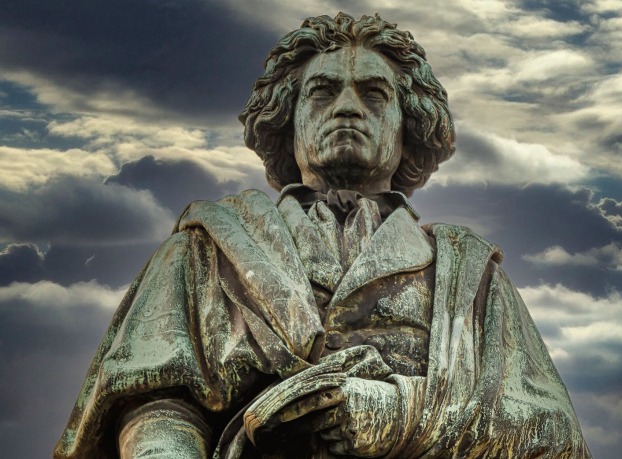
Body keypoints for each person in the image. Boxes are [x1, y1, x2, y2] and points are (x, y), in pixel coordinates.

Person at [55, 13, 590, 458]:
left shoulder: (470, 279)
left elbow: (552, 432)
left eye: (374, 94)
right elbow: (152, 403)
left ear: (410, 129)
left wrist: (397, 412)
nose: (348, 107)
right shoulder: (203, 252)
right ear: (287, 121)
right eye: (323, 92)